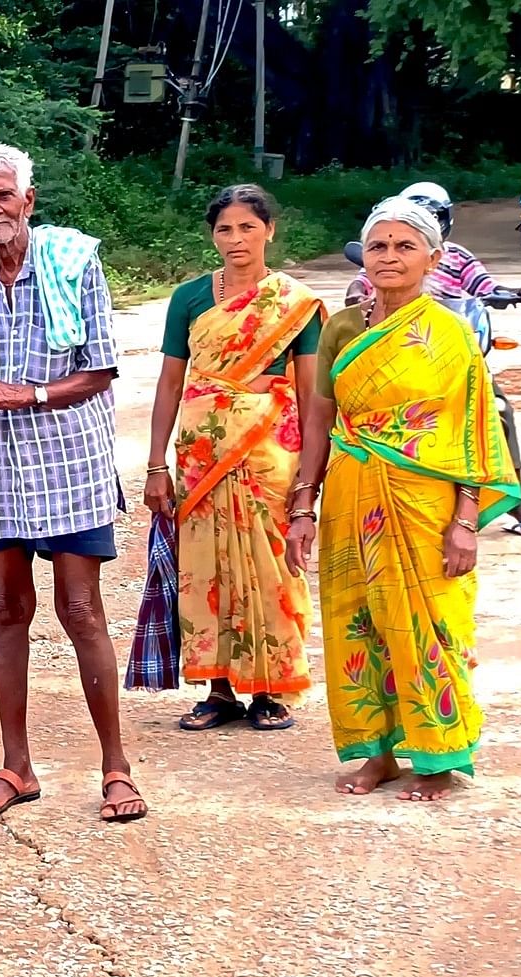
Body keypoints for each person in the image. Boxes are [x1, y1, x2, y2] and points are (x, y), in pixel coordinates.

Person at [285, 197, 521, 802]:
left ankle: (438, 757)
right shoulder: (340, 328)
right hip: (350, 495)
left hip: (426, 503)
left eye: (404, 246)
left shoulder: (451, 333)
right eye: (379, 245)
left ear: (433, 259)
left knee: (430, 626)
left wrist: (466, 521)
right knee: (357, 623)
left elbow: (472, 431)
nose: (389, 257)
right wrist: (302, 505)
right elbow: (319, 423)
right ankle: (380, 753)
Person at [0, 143, 145, 824]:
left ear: (27, 202)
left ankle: (115, 768)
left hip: (69, 461)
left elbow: (100, 369)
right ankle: (14, 767)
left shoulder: (73, 265)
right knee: (4, 612)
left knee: (80, 610)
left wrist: (18, 395)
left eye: (4, 196)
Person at [144, 185, 325, 734]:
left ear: (270, 230)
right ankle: (218, 687)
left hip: (271, 451)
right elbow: (171, 381)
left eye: (248, 227)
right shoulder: (191, 298)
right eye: (225, 228)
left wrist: (308, 484)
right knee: (207, 566)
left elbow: (316, 393)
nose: (236, 238)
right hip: (201, 452)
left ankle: (271, 688)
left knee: (271, 565)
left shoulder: (296, 304)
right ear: (212, 235)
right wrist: (156, 465)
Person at [347, 184, 521, 538]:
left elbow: (482, 284)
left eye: (434, 218)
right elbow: (362, 281)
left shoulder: (457, 256)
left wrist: (507, 293)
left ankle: (514, 500)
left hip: (450, 348)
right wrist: (358, 294)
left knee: (497, 411)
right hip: (398, 352)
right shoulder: (388, 253)